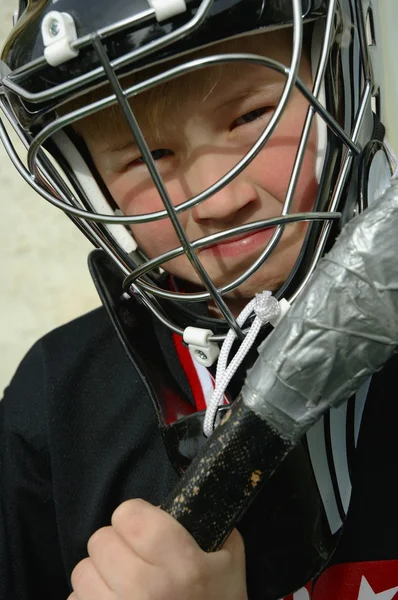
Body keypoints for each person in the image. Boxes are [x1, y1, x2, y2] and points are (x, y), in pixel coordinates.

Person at [1, 1, 397, 599]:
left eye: (252, 116)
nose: (220, 198)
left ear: (333, 70)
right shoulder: (57, 409)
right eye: (148, 157)